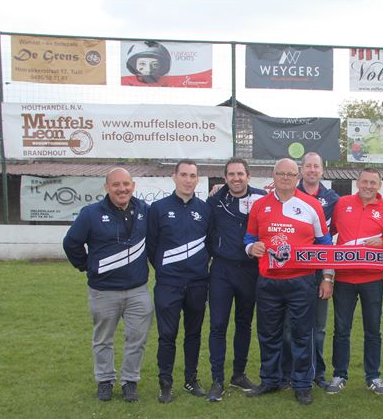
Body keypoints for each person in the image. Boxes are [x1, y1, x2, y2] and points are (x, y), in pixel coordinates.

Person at [243, 158, 333, 405]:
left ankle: (302, 384)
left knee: (302, 334)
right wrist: (252, 247)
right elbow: (249, 237)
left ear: (298, 177)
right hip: (268, 281)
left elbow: (325, 245)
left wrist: (327, 276)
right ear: (273, 176)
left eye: (290, 174)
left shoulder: (312, 205)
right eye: (281, 173)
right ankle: (270, 380)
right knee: (268, 333)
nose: (285, 178)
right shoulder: (260, 206)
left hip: (301, 281)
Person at [63, 168, 153, 402]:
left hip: (138, 290)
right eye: (116, 185)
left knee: (137, 338)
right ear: (106, 188)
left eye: (126, 184)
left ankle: (130, 381)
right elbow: (71, 243)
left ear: (133, 185)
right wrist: (87, 266)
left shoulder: (145, 210)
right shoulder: (91, 213)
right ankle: (105, 380)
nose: (121, 189)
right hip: (103, 291)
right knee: (103, 339)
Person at [327, 168, 383, 396]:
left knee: (373, 330)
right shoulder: (342, 204)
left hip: (372, 279)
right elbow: (329, 233)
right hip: (344, 278)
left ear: (379, 185)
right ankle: (339, 375)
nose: (368, 186)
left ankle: (373, 376)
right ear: (357, 182)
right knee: (341, 329)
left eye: (373, 182)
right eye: (365, 181)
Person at [147, 160, 211, 403]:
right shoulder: (159, 208)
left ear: (197, 179)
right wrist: (166, 270)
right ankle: (165, 383)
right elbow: (152, 246)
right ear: (174, 177)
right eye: (183, 175)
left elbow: (210, 244)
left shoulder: (204, 210)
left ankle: (191, 379)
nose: (188, 179)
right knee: (167, 334)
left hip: (197, 283)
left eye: (192, 175)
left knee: (193, 334)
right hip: (168, 284)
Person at [205, 158, 265, 402]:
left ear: (248, 176)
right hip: (221, 270)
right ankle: (217, 379)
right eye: (231, 174)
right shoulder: (214, 201)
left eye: (240, 173)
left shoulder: (262, 198)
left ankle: (238, 374)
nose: (236, 178)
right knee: (218, 325)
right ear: (225, 177)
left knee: (244, 323)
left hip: (250, 270)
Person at [280, 151, 339, 390]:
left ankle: (317, 372)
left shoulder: (333, 199)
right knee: (288, 326)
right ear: (300, 170)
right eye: (308, 166)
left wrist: (328, 275)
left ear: (322, 170)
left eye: (317, 166)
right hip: (291, 269)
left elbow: (332, 241)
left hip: (318, 270)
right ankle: (287, 373)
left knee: (318, 326)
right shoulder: (288, 194)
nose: (312, 170)